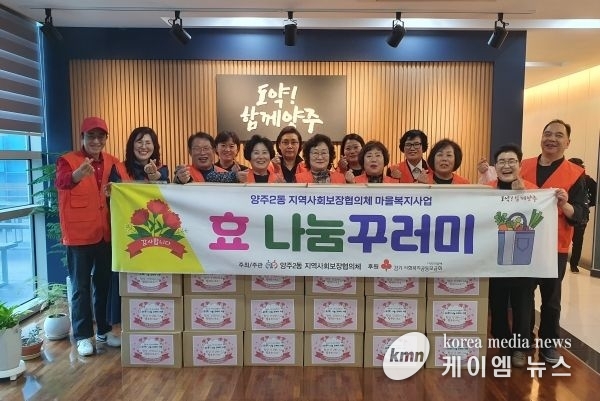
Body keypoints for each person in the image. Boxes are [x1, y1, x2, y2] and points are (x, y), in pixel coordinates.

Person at [520, 119, 589, 364]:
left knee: (550, 299)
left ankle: (549, 344)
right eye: (547, 133)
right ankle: (524, 339)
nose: (552, 138)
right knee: (523, 296)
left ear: (568, 142)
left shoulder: (576, 174)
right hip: (522, 242)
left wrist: (565, 204)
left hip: (554, 246)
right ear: (541, 137)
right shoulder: (523, 166)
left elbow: (581, 214)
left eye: (559, 135)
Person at [55, 116, 121, 356]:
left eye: (100, 136)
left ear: (106, 139)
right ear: (82, 137)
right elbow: (61, 182)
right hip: (78, 235)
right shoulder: (68, 160)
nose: (96, 141)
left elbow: (126, 185)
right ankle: (83, 336)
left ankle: (103, 330)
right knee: (80, 288)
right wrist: (76, 176)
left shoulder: (113, 162)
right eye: (91, 136)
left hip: (104, 233)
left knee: (103, 285)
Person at [106, 127, 170, 335]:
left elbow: (166, 190)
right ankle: (118, 326)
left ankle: (155, 320)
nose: (144, 146)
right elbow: (112, 199)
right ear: (131, 145)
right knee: (121, 277)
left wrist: (154, 176)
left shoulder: (163, 169)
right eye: (139, 142)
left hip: (156, 234)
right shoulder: (118, 168)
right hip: (127, 233)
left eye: (148, 142)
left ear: (155, 146)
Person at [485, 143, 537, 368]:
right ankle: (503, 341)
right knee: (496, 302)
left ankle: (520, 347)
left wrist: (523, 196)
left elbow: (540, 218)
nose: (506, 166)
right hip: (493, 257)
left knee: (522, 303)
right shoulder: (487, 190)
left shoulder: (533, 191)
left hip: (522, 258)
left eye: (511, 161)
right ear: (495, 167)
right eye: (501, 162)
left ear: (520, 165)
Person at [174, 132, 247, 184]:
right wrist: (179, 180)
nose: (202, 153)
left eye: (206, 148)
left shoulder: (224, 173)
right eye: (197, 148)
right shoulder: (185, 172)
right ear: (190, 152)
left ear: (213, 150)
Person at [567, 157, 597, 273]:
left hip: (580, 215)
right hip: (569, 213)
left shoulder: (587, 180)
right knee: (577, 241)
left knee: (577, 241)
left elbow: (596, 196)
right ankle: (573, 265)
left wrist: (587, 205)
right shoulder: (585, 179)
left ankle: (574, 264)